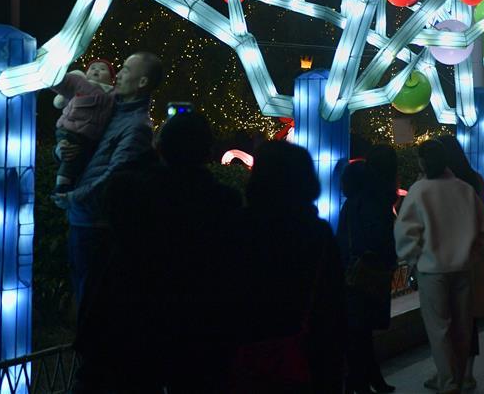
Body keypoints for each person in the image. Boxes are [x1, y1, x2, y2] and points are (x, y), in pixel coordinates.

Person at [74, 111, 242, 392]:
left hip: (128, 319)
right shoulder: (223, 201)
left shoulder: (132, 189)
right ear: (207, 151)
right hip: (194, 324)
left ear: (160, 147)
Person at [229, 141, 345, 393]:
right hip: (303, 355)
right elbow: (332, 303)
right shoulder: (317, 233)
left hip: (249, 353)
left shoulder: (236, 227)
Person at [53, 51, 163, 307]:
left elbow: (115, 175)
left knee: (92, 299)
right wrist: (61, 150)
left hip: (96, 224)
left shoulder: (137, 126)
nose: (119, 74)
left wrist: (73, 198)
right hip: (83, 217)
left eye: (125, 69)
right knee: (83, 290)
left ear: (142, 82)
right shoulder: (110, 107)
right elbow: (76, 137)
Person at [395, 140, 484, 394]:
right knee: (462, 328)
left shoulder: (419, 190)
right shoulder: (465, 189)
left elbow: (406, 235)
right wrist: (471, 253)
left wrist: (415, 260)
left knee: (440, 329)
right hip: (463, 270)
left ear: (422, 162)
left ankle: (448, 382)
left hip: (432, 271)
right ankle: (459, 378)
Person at [436, 135, 484, 391]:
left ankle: (446, 374)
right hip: (472, 257)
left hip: (443, 258)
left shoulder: (438, 184)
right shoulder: (475, 180)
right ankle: (468, 373)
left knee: (443, 320)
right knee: (468, 318)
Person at [337, 161, 397, 394]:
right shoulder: (378, 204)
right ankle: (372, 379)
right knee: (362, 333)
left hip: (356, 276)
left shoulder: (353, 206)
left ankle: (359, 383)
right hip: (376, 275)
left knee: (357, 333)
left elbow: (346, 242)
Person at [50, 59, 117, 194]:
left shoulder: (115, 95)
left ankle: (66, 187)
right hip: (70, 131)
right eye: (92, 68)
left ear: (111, 79)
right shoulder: (81, 83)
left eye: (103, 69)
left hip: (90, 140)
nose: (97, 70)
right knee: (71, 156)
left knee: (76, 158)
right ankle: (62, 186)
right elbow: (60, 81)